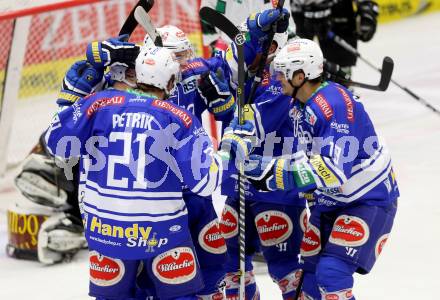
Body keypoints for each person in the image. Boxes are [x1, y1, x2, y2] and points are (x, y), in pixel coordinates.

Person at [44, 45, 252, 299]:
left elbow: (55, 142)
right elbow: (205, 182)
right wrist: (233, 144)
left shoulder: (99, 103)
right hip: (161, 235)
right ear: (172, 80)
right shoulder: (179, 119)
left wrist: (69, 99)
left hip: (107, 233)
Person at [244, 38, 399, 299]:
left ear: (301, 75)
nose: (277, 78)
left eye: (282, 72)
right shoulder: (298, 102)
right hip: (330, 201)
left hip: (366, 199)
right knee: (309, 283)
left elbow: (332, 170)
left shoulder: (334, 106)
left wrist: (274, 173)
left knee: (332, 274)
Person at [291, 0, 378, 76]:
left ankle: (342, 78)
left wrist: (367, 11)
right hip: (304, 13)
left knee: (341, 58)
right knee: (301, 53)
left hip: (339, 19)